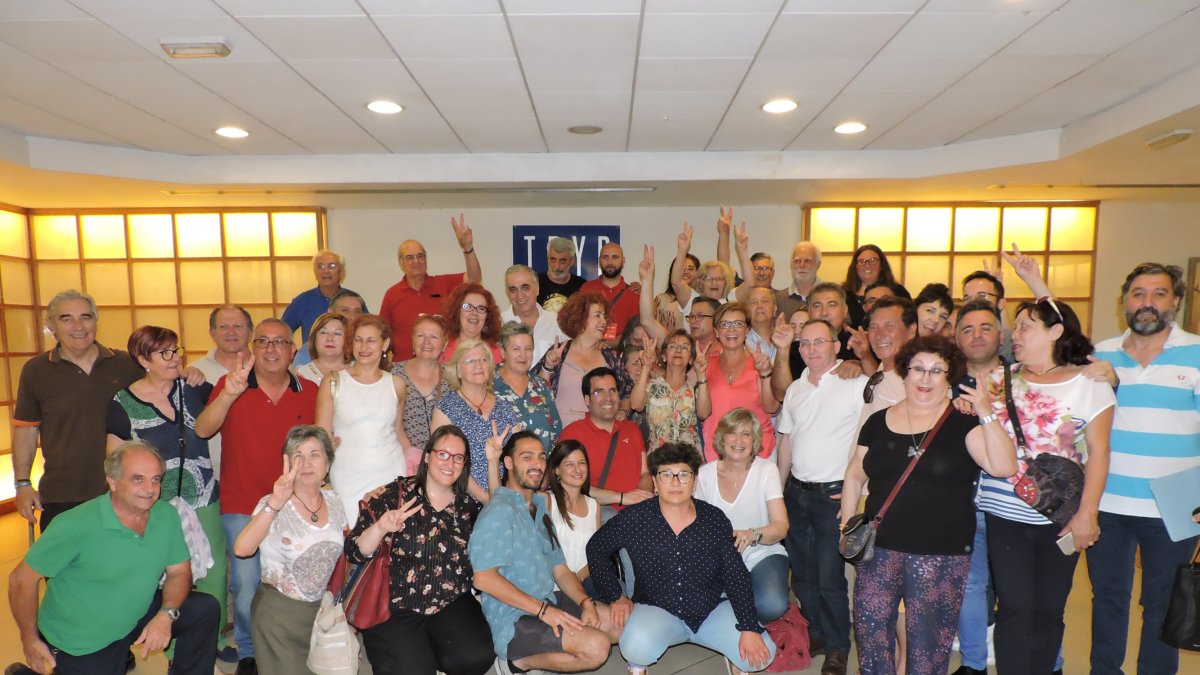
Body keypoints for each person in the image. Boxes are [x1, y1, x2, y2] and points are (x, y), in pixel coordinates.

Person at [841, 336, 1016, 675]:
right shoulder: (878, 421)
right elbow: (853, 475)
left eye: (936, 370)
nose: (925, 378)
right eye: (917, 369)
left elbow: (1004, 466)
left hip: (940, 556)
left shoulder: (963, 422)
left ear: (950, 377)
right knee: (872, 640)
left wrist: (985, 411)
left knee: (928, 652)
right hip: (878, 552)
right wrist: (846, 526)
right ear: (904, 373)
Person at [976, 299, 1115, 674]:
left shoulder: (1091, 384)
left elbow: (1100, 453)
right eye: (1016, 326)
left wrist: (1088, 514)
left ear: (1055, 332)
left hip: (1063, 517)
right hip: (1004, 511)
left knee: (1050, 608)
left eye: (1026, 326)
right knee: (1016, 605)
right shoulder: (997, 380)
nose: (1015, 334)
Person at [7, 441, 219, 675]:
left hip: (134, 613)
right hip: (82, 640)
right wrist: (29, 639)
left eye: (156, 479)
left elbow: (179, 572)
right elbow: (21, 580)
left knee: (204, 609)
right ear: (112, 481)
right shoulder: (75, 525)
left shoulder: (165, 515)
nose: (150, 489)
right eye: (138, 479)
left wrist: (165, 615)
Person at [1090, 262, 1200, 675]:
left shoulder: (1197, 352)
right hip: (1109, 499)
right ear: (1124, 302)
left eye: (1158, 293)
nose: (1147, 303)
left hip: (1177, 504)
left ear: (1175, 300)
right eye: (1138, 293)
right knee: (1109, 598)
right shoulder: (1100, 353)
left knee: (1161, 603)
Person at [587, 442, 776, 675]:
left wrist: (748, 627)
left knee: (761, 655)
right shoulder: (635, 519)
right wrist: (615, 596)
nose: (675, 482)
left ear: (694, 481)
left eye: (683, 475)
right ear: (655, 482)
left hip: (711, 609)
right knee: (635, 647)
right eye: (666, 475)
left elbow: (735, 574)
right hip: (658, 609)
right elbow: (596, 548)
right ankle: (638, 664)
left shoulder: (713, 519)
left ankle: (733, 656)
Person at [195, 318, 319, 674]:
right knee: (246, 584)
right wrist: (229, 394)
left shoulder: (308, 390)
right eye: (263, 341)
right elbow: (203, 428)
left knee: (296, 580)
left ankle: (292, 644)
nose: (271, 349)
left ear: (292, 350)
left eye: (280, 342)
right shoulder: (231, 384)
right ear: (253, 348)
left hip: (294, 505)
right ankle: (249, 651)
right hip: (242, 503)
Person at [105, 325, 226, 662]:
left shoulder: (194, 387)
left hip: (202, 495)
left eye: (177, 350)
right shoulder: (122, 403)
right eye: (166, 353)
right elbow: (114, 458)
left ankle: (210, 648)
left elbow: (228, 404)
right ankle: (176, 651)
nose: (176, 358)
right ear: (144, 359)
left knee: (214, 573)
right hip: (155, 505)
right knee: (168, 577)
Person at [343, 424, 495, 675]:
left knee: (476, 657)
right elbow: (354, 551)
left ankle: (430, 652)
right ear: (427, 456)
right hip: (395, 603)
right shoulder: (394, 496)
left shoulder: (468, 507)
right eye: (442, 454)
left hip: (450, 600)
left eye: (458, 458)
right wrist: (381, 527)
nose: (450, 463)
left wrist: (494, 460)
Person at [469, 431, 622, 674]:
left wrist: (586, 602)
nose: (537, 464)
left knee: (616, 626)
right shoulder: (498, 512)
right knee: (597, 648)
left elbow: (559, 569)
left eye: (541, 457)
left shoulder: (539, 507)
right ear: (508, 463)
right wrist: (543, 612)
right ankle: (516, 663)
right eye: (526, 457)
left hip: (548, 600)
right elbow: (483, 579)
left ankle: (548, 647)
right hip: (514, 617)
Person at [771, 319, 867, 675]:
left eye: (819, 342)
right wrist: (777, 494)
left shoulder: (855, 384)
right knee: (804, 577)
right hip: (797, 494)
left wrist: (860, 488)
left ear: (836, 346)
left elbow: (867, 439)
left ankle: (840, 646)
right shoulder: (795, 389)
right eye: (805, 343)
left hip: (833, 497)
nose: (811, 349)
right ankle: (819, 634)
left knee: (830, 577)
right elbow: (786, 443)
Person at [12, 289, 145, 532]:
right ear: (51, 326)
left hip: (124, 492)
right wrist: (22, 483)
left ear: (96, 321)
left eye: (86, 317)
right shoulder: (36, 370)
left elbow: (163, 390)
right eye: (66, 319)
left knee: (119, 568)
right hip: (63, 494)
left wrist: (190, 373)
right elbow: (26, 431)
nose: (78, 326)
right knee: (65, 569)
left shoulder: (128, 364)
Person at [232, 426, 348, 675]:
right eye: (298, 455)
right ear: (287, 462)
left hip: (319, 613)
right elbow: (242, 549)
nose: (306, 463)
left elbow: (344, 553)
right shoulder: (272, 503)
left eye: (315, 454)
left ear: (327, 464)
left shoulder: (335, 502)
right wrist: (275, 502)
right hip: (278, 616)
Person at [950, 299, 1007, 675]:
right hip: (963, 499)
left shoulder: (1023, 377)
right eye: (967, 329)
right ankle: (974, 664)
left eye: (985, 327)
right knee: (969, 586)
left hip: (1013, 499)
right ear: (956, 338)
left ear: (1000, 334)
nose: (977, 335)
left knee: (1017, 588)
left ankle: (1044, 662)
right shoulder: (946, 382)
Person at [695, 409, 790, 624]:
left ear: (754, 439)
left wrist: (751, 534)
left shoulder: (767, 470)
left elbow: (781, 527)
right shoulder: (705, 474)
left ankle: (745, 618)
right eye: (732, 433)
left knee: (772, 604)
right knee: (694, 602)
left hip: (762, 552)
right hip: (719, 558)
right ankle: (736, 617)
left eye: (746, 434)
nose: (738, 440)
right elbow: (698, 526)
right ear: (722, 438)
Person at [316, 314, 410, 516]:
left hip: (390, 470)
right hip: (347, 473)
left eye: (371, 340)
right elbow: (320, 435)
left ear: (384, 344)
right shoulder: (332, 382)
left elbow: (398, 431)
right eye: (358, 340)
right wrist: (323, 448)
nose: (363, 347)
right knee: (353, 536)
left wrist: (417, 463)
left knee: (389, 538)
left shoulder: (397, 384)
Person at [379, 214, 481, 358]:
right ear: (401, 263)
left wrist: (468, 247)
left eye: (421, 256)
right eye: (410, 257)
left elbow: (474, 277)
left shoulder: (443, 284)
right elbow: (381, 335)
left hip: (441, 366)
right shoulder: (392, 294)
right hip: (403, 369)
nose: (416, 261)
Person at [431, 339, 521, 502]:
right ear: (458, 371)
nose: (478, 365)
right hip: (460, 499)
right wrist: (486, 499)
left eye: (483, 360)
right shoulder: (445, 408)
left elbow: (517, 458)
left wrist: (505, 498)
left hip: (506, 499)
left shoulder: (505, 408)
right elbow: (442, 460)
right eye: (471, 361)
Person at [560, 366, 654, 510]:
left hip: (635, 514)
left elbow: (644, 473)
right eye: (599, 392)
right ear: (587, 399)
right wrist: (621, 498)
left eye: (612, 390)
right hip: (597, 513)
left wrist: (643, 499)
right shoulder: (572, 434)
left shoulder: (632, 429)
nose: (608, 398)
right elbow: (568, 483)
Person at [534, 291, 630, 427]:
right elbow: (536, 391)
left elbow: (628, 390)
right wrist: (548, 367)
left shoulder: (610, 357)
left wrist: (623, 410)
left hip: (600, 437)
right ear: (582, 318)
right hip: (562, 437)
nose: (604, 321)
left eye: (604, 316)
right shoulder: (560, 351)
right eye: (597, 315)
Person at [697, 302, 778, 462]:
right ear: (716, 331)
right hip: (718, 453)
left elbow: (772, 409)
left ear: (747, 329)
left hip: (758, 452)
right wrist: (701, 376)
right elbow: (702, 414)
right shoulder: (706, 364)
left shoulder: (760, 361)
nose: (731, 329)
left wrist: (765, 373)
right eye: (725, 324)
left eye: (738, 324)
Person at [191, 304, 253, 482]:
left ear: (250, 332)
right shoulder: (195, 371)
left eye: (238, 326)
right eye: (223, 327)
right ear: (212, 332)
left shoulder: (267, 369)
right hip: (208, 472)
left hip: (256, 470)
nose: (231, 332)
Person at [283, 250, 363, 366]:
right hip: (311, 361)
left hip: (350, 361)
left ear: (342, 272)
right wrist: (293, 354)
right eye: (320, 266)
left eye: (332, 266)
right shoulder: (302, 300)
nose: (325, 271)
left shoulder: (353, 300)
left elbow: (368, 329)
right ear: (315, 272)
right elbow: (283, 331)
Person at [494, 321, 562, 453]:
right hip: (500, 471)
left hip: (540, 469)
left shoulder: (541, 387)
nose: (523, 355)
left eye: (528, 349)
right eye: (516, 349)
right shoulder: (488, 386)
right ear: (503, 351)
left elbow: (556, 431)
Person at [546, 439, 602, 594]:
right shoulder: (547, 501)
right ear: (556, 469)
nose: (578, 470)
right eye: (569, 464)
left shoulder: (594, 505)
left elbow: (596, 554)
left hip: (586, 583)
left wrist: (579, 576)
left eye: (582, 463)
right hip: (553, 586)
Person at [631, 330, 702, 450]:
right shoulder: (651, 387)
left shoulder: (696, 390)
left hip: (689, 461)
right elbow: (635, 405)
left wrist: (702, 376)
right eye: (673, 346)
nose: (678, 350)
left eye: (684, 348)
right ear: (663, 356)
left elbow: (704, 413)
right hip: (658, 460)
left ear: (691, 359)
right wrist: (647, 366)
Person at [392, 314, 451, 451]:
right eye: (420, 336)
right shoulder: (392, 373)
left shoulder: (454, 377)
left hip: (443, 459)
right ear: (412, 340)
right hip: (401, 459)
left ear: (445, 344)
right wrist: (412, 456)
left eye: (434, 337)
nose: (426, 342)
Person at [858, 297, 918, 420]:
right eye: (874, 327)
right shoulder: (884, 367)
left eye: (889, 325)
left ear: (911, 330)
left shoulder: (920, 379)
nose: (880, 334)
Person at [501, 264, 568, 365]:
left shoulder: (557, 322)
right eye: (513, 289)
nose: (519, 295)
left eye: (525, 287)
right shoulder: (500, 323)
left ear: (537, 289)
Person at [580, 241, 641, 339]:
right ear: (599, 261)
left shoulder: (635, 293)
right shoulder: (586, 289)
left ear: (623, 261)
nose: (610, 262)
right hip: (590, 351)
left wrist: (616, 342)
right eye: (605, 257)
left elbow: (637, 331)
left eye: (615, 257)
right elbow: (579, 324)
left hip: (622, 353)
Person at [441, 281, 504, 364]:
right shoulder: (442, 348)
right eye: (468, 307)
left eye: (481, 308)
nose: (474, 313)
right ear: (457, 311)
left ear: (488, 316)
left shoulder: (497, 353)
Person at [842, 244, 899, 328]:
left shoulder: (897, 291)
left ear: (881, 265)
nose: (867, 265)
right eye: (862, 261)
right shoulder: (843, 294)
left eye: (873, 260)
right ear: (855, 266)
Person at [294, 311, 348, 384]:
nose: (329, 338)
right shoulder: (301, 374)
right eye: (323, 332)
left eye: (337, 333)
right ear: (314, 338)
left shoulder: (359, 370)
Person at [775, 241, 822, 321]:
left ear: (818, 264)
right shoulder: (779, 299)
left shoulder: (832, 295)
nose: (802, 265)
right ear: (791, 265)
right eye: (797, 261)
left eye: (807, 261)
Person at [538, 236, 586, 310]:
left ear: (572, 261)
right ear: (547, 259)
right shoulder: (534, 283)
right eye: (553, 260)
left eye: (562, 261)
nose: (557, 266)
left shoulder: (582, 287)